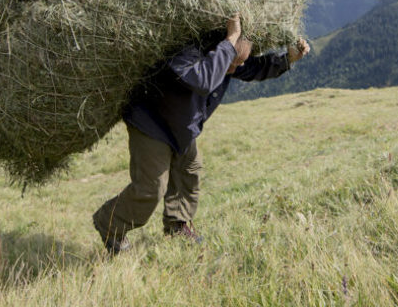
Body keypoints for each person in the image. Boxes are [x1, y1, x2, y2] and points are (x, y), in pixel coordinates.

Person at [92, 13, 310, 254]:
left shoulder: (228, 62)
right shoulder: (184, 52)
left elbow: (252, 68)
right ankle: (110, 224)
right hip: (152, 123)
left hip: (183, 127)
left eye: (238, 63)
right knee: (150, 188)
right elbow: (203, 79)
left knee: (189, 172)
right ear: (220, 49)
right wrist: (232, 39)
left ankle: (177, 226)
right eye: (233, 62)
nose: (235, 69)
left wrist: (288, 58)